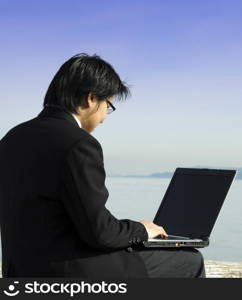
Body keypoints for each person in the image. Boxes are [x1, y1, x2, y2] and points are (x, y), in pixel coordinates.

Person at [0, 53, 205, 278]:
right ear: (90, 99)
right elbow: (100, 233)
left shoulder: (12, 138)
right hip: (68, 273)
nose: (104, 118)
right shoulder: (78, 144)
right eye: (108, 106)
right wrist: (142, 230)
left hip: (19, 270)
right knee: (190, 260)